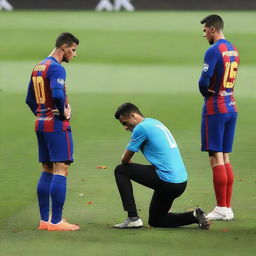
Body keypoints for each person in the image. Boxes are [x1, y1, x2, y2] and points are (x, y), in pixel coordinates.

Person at [113, 103, 209, 229]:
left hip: (167, 180)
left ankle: (133, 218)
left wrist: (127, 161)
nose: (125, 127)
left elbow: (124, 160)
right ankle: (194, 216)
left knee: (121, 170)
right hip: (180, 182)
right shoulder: (154, 122)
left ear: (133, 115)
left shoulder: (141, 128)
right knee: (156, 220)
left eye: (125, 123)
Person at [26, 32, 80, 231]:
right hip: (56, 126)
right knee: (61, 168)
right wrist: (63, 114)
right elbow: (57, 93)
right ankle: (56, 221)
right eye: (73, 50)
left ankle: (44, 220)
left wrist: (41, 113)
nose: (74, 54)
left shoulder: (38, 66)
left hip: (40, 124)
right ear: (64, 47)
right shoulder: (57, 68)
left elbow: (29, 99)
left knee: (47, 169)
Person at [198, 15, 240, 220]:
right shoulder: (233, 48)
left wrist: (206, 93)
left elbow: (204, 80)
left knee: (215, 157)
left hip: (216, 107)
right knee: (225, 156)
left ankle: (221, 208)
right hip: (231, 104)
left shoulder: (213, 50)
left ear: (213, 29)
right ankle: (227, 208)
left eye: (205, 31)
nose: (204, 34)